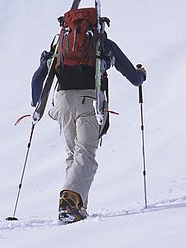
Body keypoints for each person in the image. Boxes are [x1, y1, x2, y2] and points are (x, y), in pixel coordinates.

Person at [31, 12, 147, 224]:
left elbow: (38, 78)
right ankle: (70, 202)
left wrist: (35, 102)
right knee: (85, 154)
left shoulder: (59, 46)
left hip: (63, 102)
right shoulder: (102, 44)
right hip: (89, 100)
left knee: (73, 155)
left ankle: (76, 205)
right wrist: (141, 75)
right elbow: (133, 77)